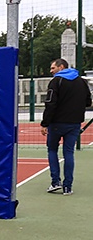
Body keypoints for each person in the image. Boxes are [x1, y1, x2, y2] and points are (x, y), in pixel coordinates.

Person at [40, 58, 91, 195]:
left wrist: (45, 123)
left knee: (52, 150)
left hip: (57, 123)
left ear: (61, 67)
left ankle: (55, 182)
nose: (51, 71)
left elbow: (50, 103)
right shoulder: (82, 81)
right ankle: (68, 186)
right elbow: (88, 101)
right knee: (69, 153)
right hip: (74, 123)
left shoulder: (56, 81)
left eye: (53, 68)